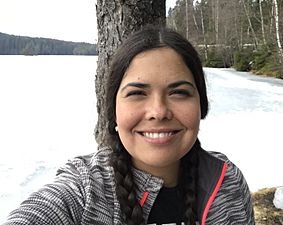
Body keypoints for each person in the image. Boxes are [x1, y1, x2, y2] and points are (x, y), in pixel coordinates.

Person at [3, 26, 255, 225]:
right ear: (113, 111)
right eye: (137, 93)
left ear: (201, 105)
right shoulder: (85, 190)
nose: (158, 111)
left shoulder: (227, 183)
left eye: (179, 92)